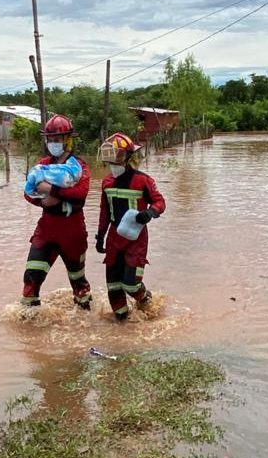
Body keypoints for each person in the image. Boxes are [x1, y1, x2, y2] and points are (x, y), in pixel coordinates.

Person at [21, 114, 92, 309]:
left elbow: (80, 194)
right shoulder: (43, 165)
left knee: (78, 281)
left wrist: (50, 190)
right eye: (50, 140)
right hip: (46, 231)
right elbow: (28, 193)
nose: (53, 143)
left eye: (57, 140)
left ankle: (86, 324)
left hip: (73, 232)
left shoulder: (79, 166)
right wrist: (45, 203)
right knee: (31, 278)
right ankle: (30, 332)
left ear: (67, 140)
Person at [96, 132, 166, 321]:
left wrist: (149, 213)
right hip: (113, 239)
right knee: (113, 288)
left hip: (136, 240)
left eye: (117, 156)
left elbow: (160, 202)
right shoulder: (106, 183)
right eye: (110, 157)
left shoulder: (143, 181)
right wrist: (100, 235)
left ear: (127, 157)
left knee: (131, 284)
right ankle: (124, 329)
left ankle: (146, 300)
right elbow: (104, 211)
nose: (113, 162)